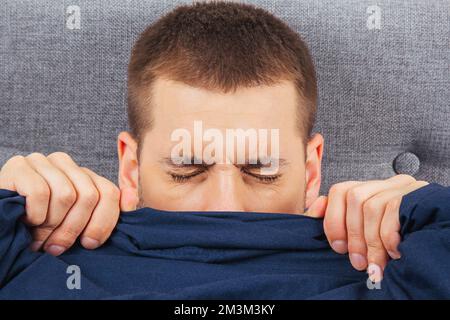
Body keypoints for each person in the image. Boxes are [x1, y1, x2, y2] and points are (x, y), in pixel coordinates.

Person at [0, 1, 448, 298]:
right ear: (131, 171)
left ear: (312, 173)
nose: (227, 205)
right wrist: (9, 195)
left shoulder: (383, 270)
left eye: (264, 170)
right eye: (185, 170)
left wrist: (422, 208)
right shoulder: (35, 259)